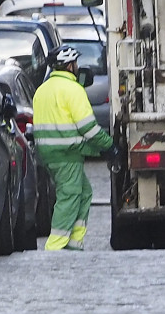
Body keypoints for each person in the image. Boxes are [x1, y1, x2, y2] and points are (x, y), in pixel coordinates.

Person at [32, 44, 119, 250]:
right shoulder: (73, 90)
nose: (78, 66)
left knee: (85, 192)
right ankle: (55, 245)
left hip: (48, 153)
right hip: (67, 153)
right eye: (76, 63)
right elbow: (88, 128)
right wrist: (109, 146)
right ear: (69, 66)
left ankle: (74, 241)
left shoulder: (42, 90)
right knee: (69, 195)